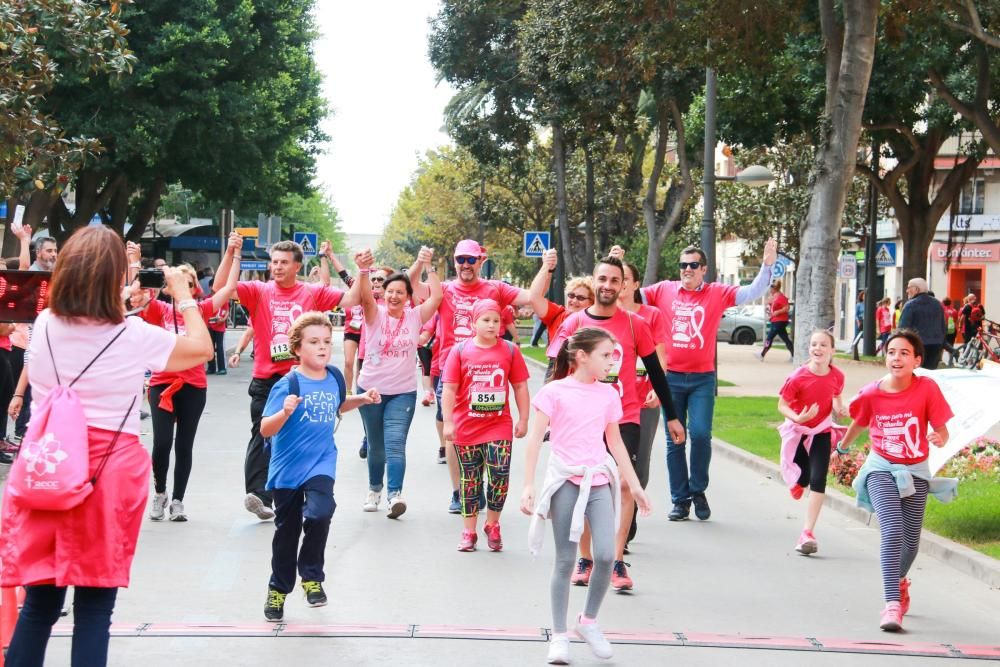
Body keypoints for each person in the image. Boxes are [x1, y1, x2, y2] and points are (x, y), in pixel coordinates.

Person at [0, 226, 213, 667]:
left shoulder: (43, 326)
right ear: (116, 277)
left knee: (39, 605)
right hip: (108, 468)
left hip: (48, 463)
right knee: (96, 607)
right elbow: (202, 349)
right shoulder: (134, 336)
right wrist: (182, 295)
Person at [549, 255, 683, 591]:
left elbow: (656, 373)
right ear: (594, 282)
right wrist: (551, 415)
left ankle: (617, 559)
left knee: (625, 485)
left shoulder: (637, 324)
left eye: (615, 280)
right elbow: (557, 372)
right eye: (603, 279)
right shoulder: (575, 323)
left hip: (624, 415)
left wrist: (673, 417)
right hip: (580, 421)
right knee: (584, 484)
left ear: (624, 286)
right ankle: (585, 557)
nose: (608, 286)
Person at [521, 327, 652, 665]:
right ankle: (559, 635)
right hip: (565, 480)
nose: (612, 362)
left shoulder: (608, 395)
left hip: (597, 481)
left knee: (607, 556)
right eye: (605, 355)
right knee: (565, 561)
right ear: (582, 356)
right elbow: (534, 440)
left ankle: (588, 622)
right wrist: (529, 485)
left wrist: (635, 485)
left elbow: (616, 441)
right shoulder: (554, 392)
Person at [213, 233, 360, 520]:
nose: (276, 267)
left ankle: (298, 490)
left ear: (297, 266)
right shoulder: (258, 290)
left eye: (283, 262)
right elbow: (220, 287)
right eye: (274, 262)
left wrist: (359, 270)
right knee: (262, 432)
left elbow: (353, 298)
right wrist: (232, 253)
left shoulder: (311, 292)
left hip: (302, 379)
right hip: (267, 379)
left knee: (296, 437)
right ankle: (258, 494)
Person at [630, 239, 777, 522]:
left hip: (702, 380)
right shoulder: (663, 290)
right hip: (669, 378)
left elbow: (751, 292)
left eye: (693, 265)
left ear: (704, 269)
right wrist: (619, 265)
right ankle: (680, 500)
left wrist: (766, 266)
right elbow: (632, 296)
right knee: (675, 439)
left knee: (699, 434)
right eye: (683, 265)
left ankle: (698, 490)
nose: (687, 269)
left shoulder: (717, 293)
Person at [259, 312, 379, 622]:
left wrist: (362, 398)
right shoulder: (288, 383)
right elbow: (265, 430)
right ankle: (278, 589)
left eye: (327, 341)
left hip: (321, 463)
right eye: (314, 342)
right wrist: (284, 413)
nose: (323, 347)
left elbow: (338, 405)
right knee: (287, 533)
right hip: (286, 470)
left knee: (320, 513)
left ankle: (311, 577)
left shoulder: (335, 377)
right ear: (297, 348)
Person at [837, 329, 957, 632]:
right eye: (891, 352)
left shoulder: (927, 389)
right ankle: (891, 604)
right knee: (891, 530)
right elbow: (860, 421)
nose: (897, 357)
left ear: (917, 360)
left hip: (916, 470)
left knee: (911, 542)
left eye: (904, 352)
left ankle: (899, 581)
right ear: (885, 357)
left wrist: (938, 437)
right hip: (880, 467)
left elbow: (942, 430)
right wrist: (842, 447)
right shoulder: (871, 393)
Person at [411, 239, 533, 514]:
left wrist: (547, 268)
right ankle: (460, 491)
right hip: (450, 371)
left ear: (481, 260)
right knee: (453, 434)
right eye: (460, 259)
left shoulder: (496, 288)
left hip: (489, 370)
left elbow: (531, 298)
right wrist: (421, 263)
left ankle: (480, 484)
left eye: (471, 259)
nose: (465, 264)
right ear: (454, 261)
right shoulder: (442, 290)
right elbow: (412, 287)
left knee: (489, 432)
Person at [131, 252, 240, 522]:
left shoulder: (200, 310)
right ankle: (159, 492)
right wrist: (134, 261)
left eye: (189, 284)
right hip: (161, 383)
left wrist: (234, 254)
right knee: (162, 442)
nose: (185, 288)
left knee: (184, 445)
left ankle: (178, 500)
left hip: (193, 385)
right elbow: (134, 299)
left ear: (194, 288)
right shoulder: (160, 309)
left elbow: (227, 289)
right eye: (180, 283)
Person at [356, 247, 442, 518]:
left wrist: (429, 267)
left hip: (402, 393)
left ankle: (395, 495)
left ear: (407, 297)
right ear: (383, 293)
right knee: (376, 444)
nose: (393, 296)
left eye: (400, 292)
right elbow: (363, 295)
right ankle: (374, 489)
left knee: (395, 444)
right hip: (370, 390)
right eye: (390, 291)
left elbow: (437, 296)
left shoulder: (416, 316)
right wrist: (363, 270)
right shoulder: (374, 313)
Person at [442, 299, 530, 551]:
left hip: (498, 425)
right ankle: (468, 531)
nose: (492, 325)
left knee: (499, 475)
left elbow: (520, 386)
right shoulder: (459, 351)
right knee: (470, 480)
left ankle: (493, 523)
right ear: (473, 323)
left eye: (496, 320)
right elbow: (449, 389)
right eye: (486, 320)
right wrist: (448, 422)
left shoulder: (510, 351)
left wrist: (523, 418)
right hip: (466, 426)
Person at [777, 330, 847, 555]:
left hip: (821, 430)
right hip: (798, 429)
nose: (818, 348)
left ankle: (807, 532)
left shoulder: (837, 376)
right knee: (805, 476)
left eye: (823, 345)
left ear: (832, 350)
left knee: (819, 478)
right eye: (814, 344)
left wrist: (840, 409)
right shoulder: (798, 377)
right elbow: (782, 405)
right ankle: (798, 482)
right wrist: (798, 417)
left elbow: (836, 397)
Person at [619, 260, 667, 548]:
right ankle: (618, 526)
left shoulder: (652, 315)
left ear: (636, 285)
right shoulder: (607, 316)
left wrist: (658, 389)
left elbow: (661, 356)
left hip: (644, 399)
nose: (621, 284)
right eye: (616, 278)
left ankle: (631, 509)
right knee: (612, 464)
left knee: (640, 463)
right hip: (613, 399)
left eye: (626, 278)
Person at [527, 249, 595, 378]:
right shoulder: (558, 314)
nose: (574, 300)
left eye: (580, 298)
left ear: (592, 302)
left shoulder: (597, 319)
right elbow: (534, 297)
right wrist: (547, 267)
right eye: (571, 295)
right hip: (558, 372)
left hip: (585, 374)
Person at [898, 278, 946, 370]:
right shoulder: (937, 304)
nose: (907, 290)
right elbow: (943, 326)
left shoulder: (910, 305)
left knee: (916, 373)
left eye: (909, 288)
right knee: (929, 374)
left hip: (917, 345)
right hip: (936, 346)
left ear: (916, 289)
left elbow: (902, 329)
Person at [759, 280, 793, 361]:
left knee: (769, 337)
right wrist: (768, 308)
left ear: (774, 289)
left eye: (770, 288)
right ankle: (794, 355)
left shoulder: (781, 297)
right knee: (785, 338)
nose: (769, 290)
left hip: (780, 321)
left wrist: (777, 312)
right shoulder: (774, 297)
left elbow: (787, 307)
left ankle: (762, 354)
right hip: (775, 320)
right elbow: (770, 307)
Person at [941, 297, 958, 365]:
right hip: (952, 330)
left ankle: (940, 360)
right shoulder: (954, 310)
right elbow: (956, 320)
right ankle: (951, 361)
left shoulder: (942, 310)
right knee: (951, 345)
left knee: (942, 345)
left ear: (943, 303)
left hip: (944, 330)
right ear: (950, 303)